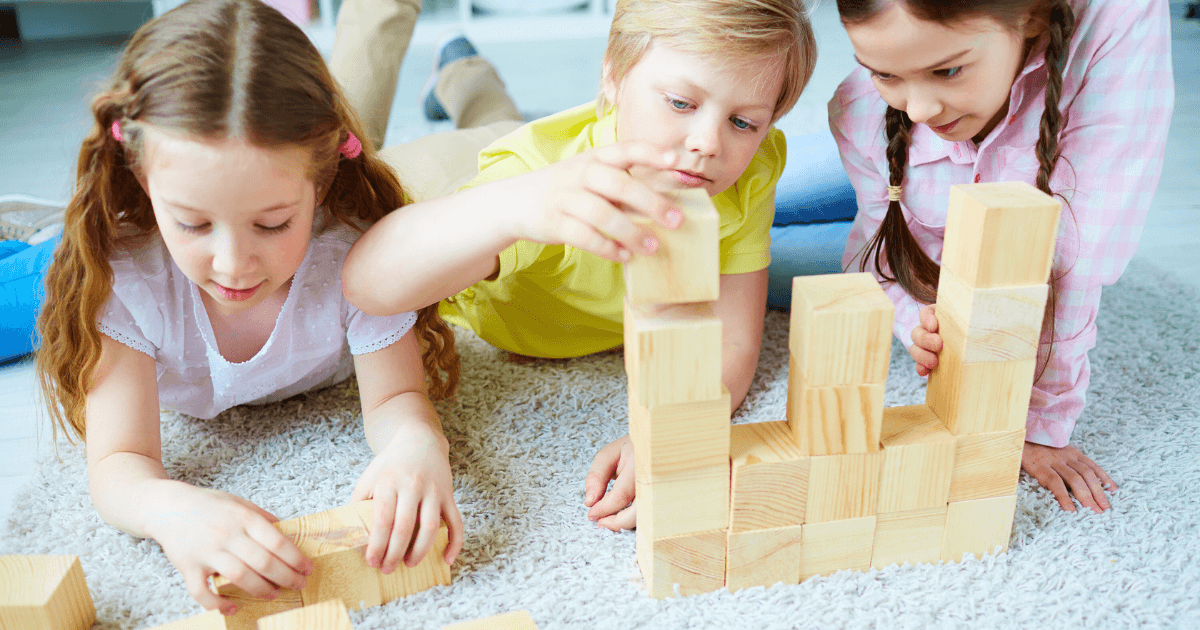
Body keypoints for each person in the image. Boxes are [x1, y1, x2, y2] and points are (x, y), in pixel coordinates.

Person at [34, 0, 464, 614]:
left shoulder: (359, 244)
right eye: (192, 223)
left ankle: (467, 81)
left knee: (482, 164)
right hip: (287, 170)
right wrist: (173, 509)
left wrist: (419, 444)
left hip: (367, 183)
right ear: (143, 180)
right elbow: (119, 462)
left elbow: (397, 399)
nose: (234, 265)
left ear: (317, 189)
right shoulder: (126, 277)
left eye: (271, 223)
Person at [341, 0, 818, 532]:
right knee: (350, 168)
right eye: (681, 103)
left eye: (742, 121)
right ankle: (460, 71)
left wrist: (672, 430)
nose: (708, 143)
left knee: (499, 118)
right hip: (457, 178)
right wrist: (516, 209)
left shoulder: (751, 172)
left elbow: (733, 342)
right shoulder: (537, 178)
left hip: (549, 141)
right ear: (611, 75)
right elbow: (367, 283)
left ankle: (462, 70)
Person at [829, 0, 1173, 512]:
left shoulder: (1119, 24)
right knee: (767, 208)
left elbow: (1076, 256)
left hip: (1029, 142)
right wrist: (915, 323)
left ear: (1032, 17)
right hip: (887, 176)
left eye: (947, 70)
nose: (918, 110)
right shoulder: (862, 110)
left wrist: (1034, 422)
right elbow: (879, 257)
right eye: (884, 73)